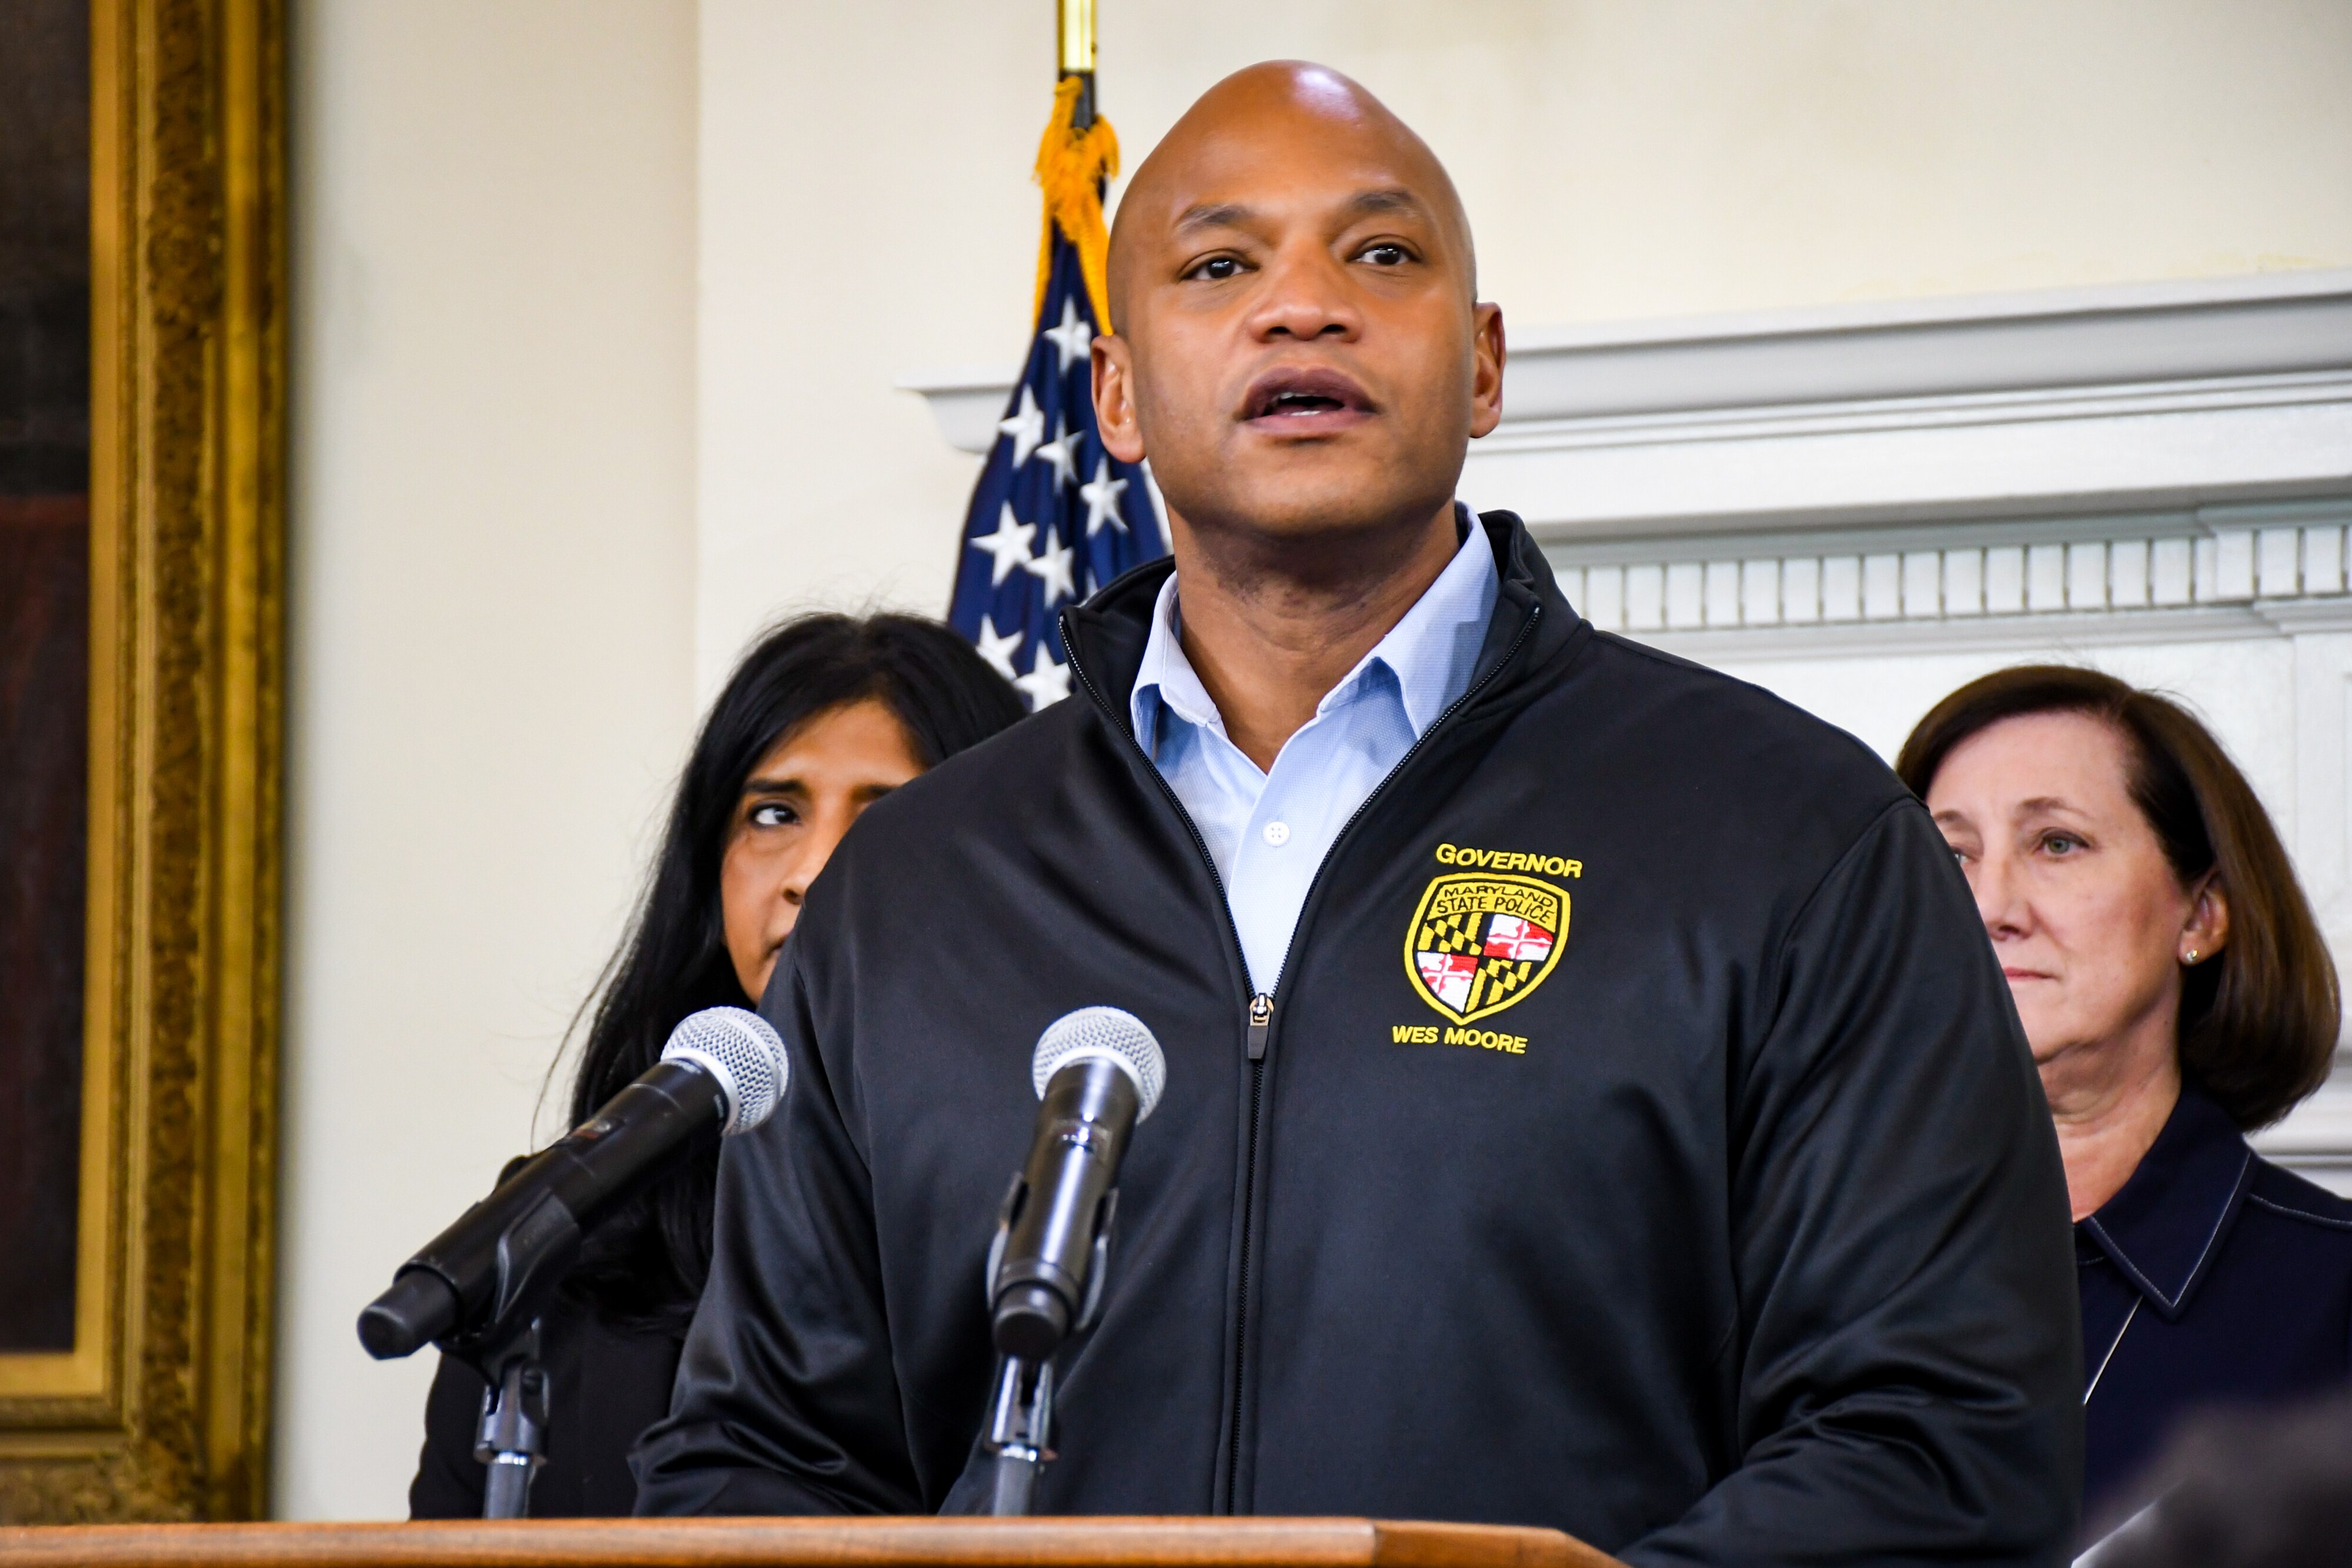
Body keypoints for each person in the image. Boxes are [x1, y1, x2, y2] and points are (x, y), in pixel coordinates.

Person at [634, 63, 2081, 1564]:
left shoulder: (1786, 830)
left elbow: (1938, 1443)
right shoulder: (917, 885)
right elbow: (763, 1454)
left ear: (1483, 366)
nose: (1302, 305)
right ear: (1116, 395)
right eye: (1218, 265)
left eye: (1380, 255)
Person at [407, 613, 1024, 1518]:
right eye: (773, 814)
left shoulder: (1067, 1229)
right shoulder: (559, 1243)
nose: (812, 871)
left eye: (887, 815)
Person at [1896, 665, 2347, 1529]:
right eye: (1949, 853)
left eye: (2056, 843)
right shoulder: (1790, 1263)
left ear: (2202, 914)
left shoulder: (2334, 1298)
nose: (1989, 905)